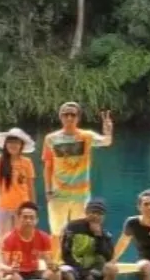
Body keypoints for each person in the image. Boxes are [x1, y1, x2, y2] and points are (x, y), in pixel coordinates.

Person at [41, 102, 114, 255]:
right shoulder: (51, 139)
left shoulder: (86, 136)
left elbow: (106, 142)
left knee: (79, 230)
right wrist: (47, 190)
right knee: (56, 231)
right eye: (65, 114)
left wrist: (108, 131)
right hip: (57, 193)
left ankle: (76, 262)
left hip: (81, 194)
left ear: (78, 117)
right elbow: (48, 166)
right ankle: (56, 262)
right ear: (60, 117)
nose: (69, 117)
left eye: (73, 114)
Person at [0, 127, 36, 237]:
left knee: (22, 237)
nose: (13, 145)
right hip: (3, 206)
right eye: (10, 142)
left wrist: (33, 208)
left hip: (22, 207)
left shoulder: (27, 162)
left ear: (21, 145)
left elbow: (31, 187)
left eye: (16, 142)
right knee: (4, 239)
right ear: (5, 144)